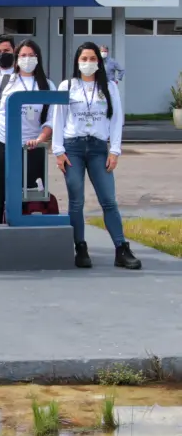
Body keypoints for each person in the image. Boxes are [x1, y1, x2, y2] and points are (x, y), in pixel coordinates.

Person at [53, 42, 140, 270]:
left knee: (109, 200)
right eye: (84, 59)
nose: (88, 63)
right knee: (76, 200)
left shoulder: (108, 86)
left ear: (99, 63)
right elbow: (58, 119)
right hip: (73, 148)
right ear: (77, 61)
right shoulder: (68, 85)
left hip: (99, 148)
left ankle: (121, 248)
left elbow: (116, 120)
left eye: (93, 59)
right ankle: (80, 248)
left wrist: (115, 150)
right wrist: (58, 151)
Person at [0, 39, 53, 224]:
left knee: (28, 191)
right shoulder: (5, 81)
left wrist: (41, 139)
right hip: (0, 142)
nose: (27, 59)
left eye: (31, 55)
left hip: (31, 147)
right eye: (23, 55)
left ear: (38, 58)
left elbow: (51, 119)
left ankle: (23, 231)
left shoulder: (47, 85)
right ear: (17, 59)